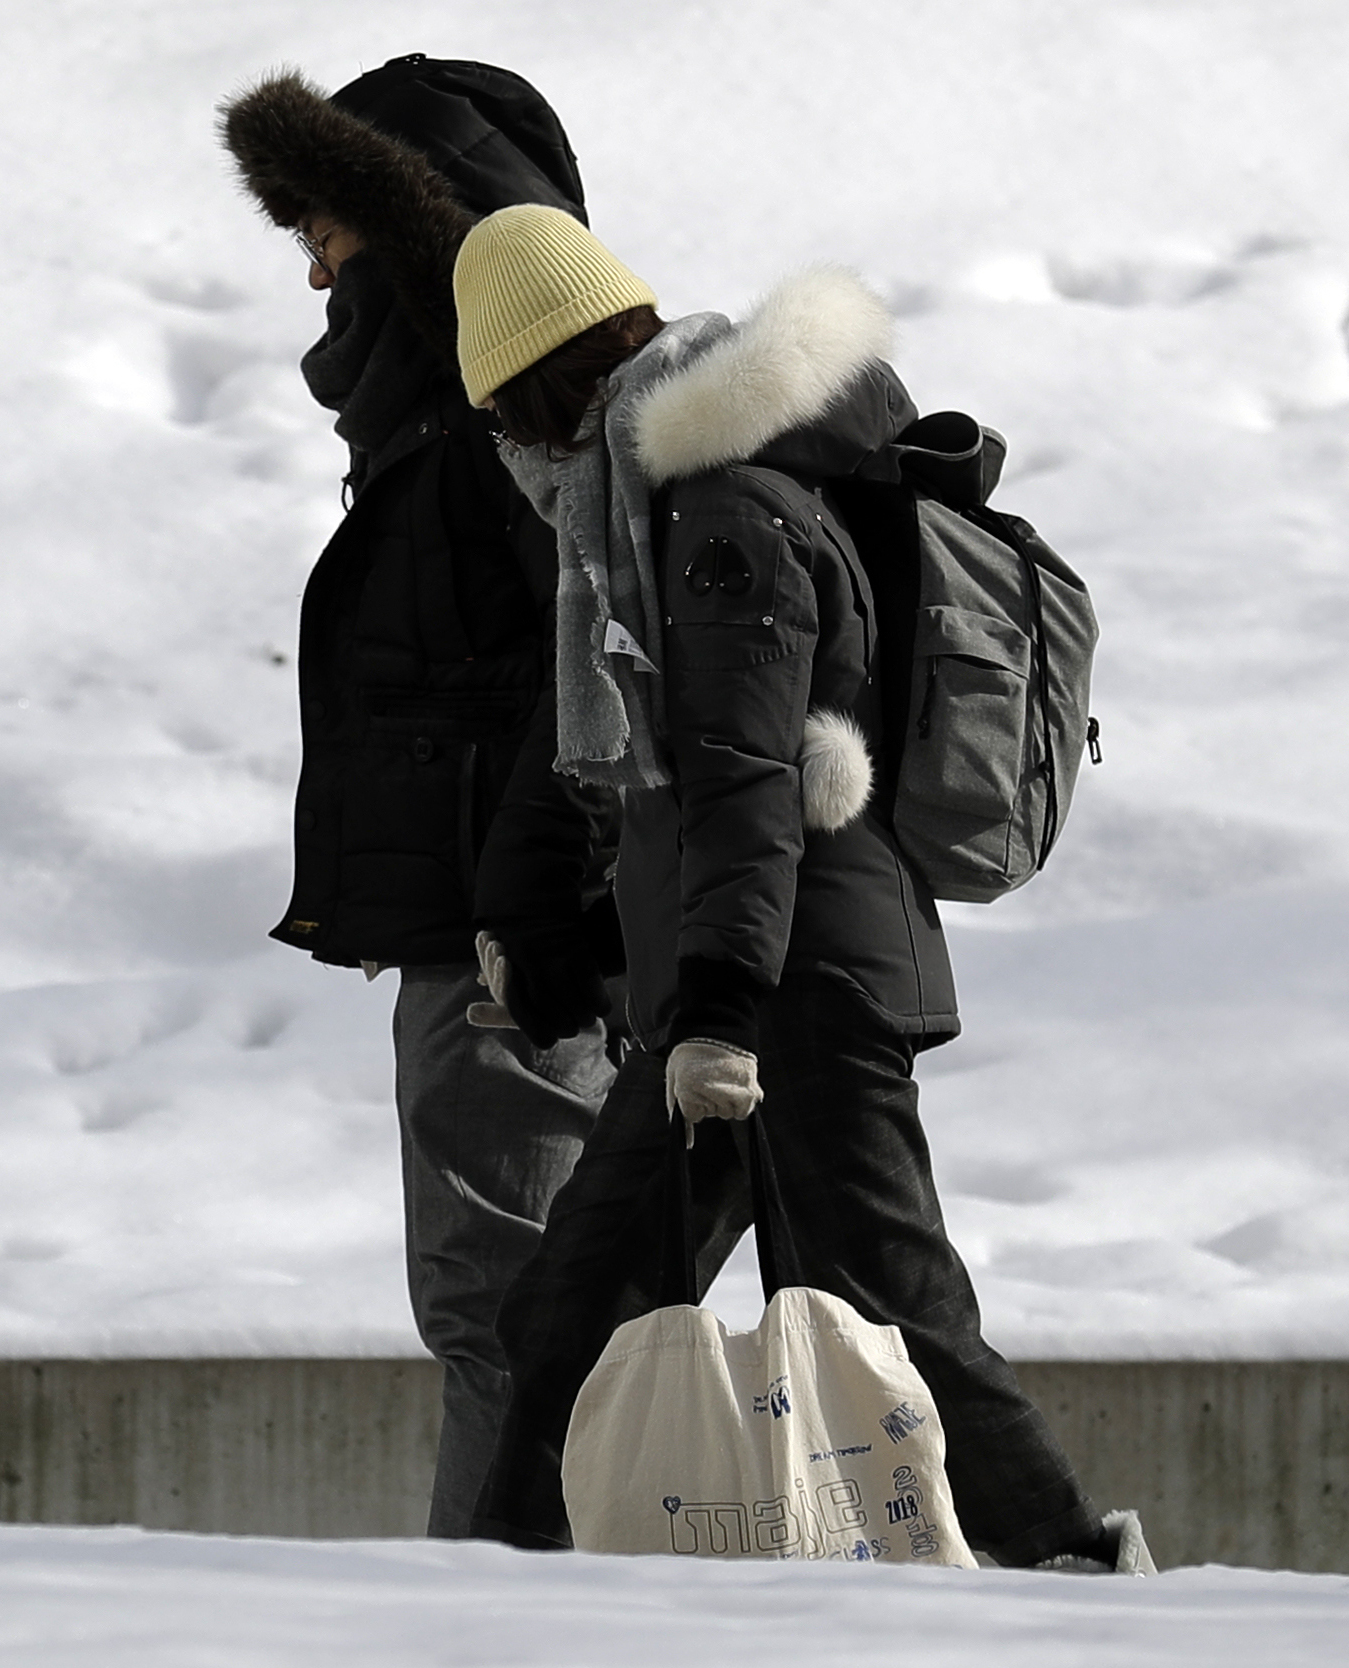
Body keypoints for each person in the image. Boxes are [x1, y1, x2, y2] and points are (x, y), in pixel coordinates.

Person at [450, 205, 1149, 1571]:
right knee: (574, 1312)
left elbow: (742, 775)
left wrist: (710, 1006)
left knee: (896, 1309)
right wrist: (607, 952)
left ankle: (1067, 1562)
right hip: (745, 978)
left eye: (502, 419)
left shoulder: (721, 517)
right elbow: (685, 792)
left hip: (793, 993)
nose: (512, 455)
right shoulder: (673, 503)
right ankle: (504, 1586)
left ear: (536, 387)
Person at [218, 60, 620, 1537]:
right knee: (523, 1311)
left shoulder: (511, 415)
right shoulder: (453, 409)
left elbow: (595, 688)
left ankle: (500, 1625)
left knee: (504, 1312)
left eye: (323, 227)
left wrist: (535, 921)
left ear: (404, 216)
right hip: (502, 934)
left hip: (521, 956)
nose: (311, 266)